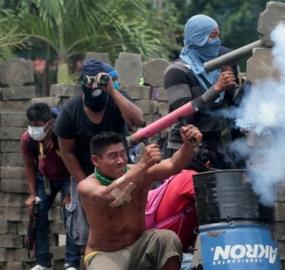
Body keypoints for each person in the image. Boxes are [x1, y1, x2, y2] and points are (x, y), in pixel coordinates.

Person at [78, 125, 202, 270]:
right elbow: (108, 196)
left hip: (140, 246)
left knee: (167, 238)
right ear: (95, 160)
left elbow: (173, 164)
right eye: (113, 156)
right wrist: (142, 164)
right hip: (106, 253)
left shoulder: (140, 172)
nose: (120, 161)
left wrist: (188, 145)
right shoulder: (86, 185)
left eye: (123, 154)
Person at [54, 59, 145, 246]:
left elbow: (137, 122)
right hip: (85, 173)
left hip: (120, 173)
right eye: (90, 82)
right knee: (89, 232)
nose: (95, 86)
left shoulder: (117, 100)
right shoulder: (71, 110)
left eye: (100, 79)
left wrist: (112, 90)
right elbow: (67, 152)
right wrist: (85, 185)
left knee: (125, 222)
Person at [163, 14, 238, 169]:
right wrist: (216, 89)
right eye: (213, 36)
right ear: (198, 38)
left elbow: (231, 105)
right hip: (184, 149)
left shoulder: (217, 69)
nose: (218, 41)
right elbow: (183, 113)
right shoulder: (177, 71)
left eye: (218, 35)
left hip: (214, 147)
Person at [21, 103, 82, 270]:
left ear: (49, 124)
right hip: (45, 178)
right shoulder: (28, 139)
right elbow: (29, 166)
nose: (34, 129)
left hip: (68, 177)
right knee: (38, 213)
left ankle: (72, 262)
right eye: (31, 125)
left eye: (38, 125)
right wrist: (32, 194)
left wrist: (70, 192)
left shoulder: (61, 134)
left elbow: (74, 161)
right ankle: (42, 262)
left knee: (71, 213)